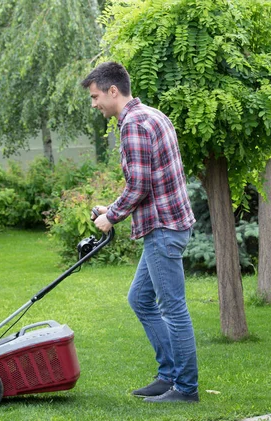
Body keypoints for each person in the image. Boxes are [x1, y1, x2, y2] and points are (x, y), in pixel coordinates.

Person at [80, 62, 199, 403]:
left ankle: (185, 389)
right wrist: (111, 207)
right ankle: (168, 375)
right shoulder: (152, 115)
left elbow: (140, 185)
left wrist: (111, 217)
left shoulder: (132, 124)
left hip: (163, 228)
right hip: (168, 224)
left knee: (173, 309)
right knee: (140, 299)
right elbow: (147, 180)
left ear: (113, 91)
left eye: (95, 96)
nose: (94, 104)